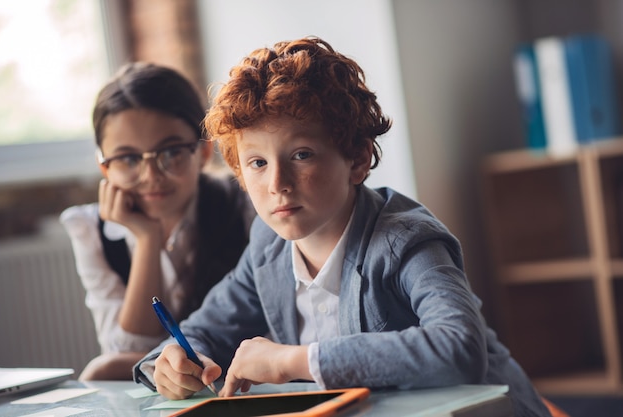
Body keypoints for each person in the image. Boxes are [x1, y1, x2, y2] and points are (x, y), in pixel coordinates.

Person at [132, 37, 552, 416]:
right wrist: (171, 361)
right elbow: (203, 329)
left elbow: (459, 348)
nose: (276, 184)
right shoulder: (267, 243)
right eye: (257, 163)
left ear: (357, 159)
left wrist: (292, 361)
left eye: (301, 155)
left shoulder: (407, 240)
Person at [60, 62, 255, 380]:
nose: (150, 177)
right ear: (105, 167)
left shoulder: (245, 206)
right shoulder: (91, 230)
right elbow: (127, 349)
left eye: (171, 152)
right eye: (127, 159)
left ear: (203, 153)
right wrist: (147, 240)